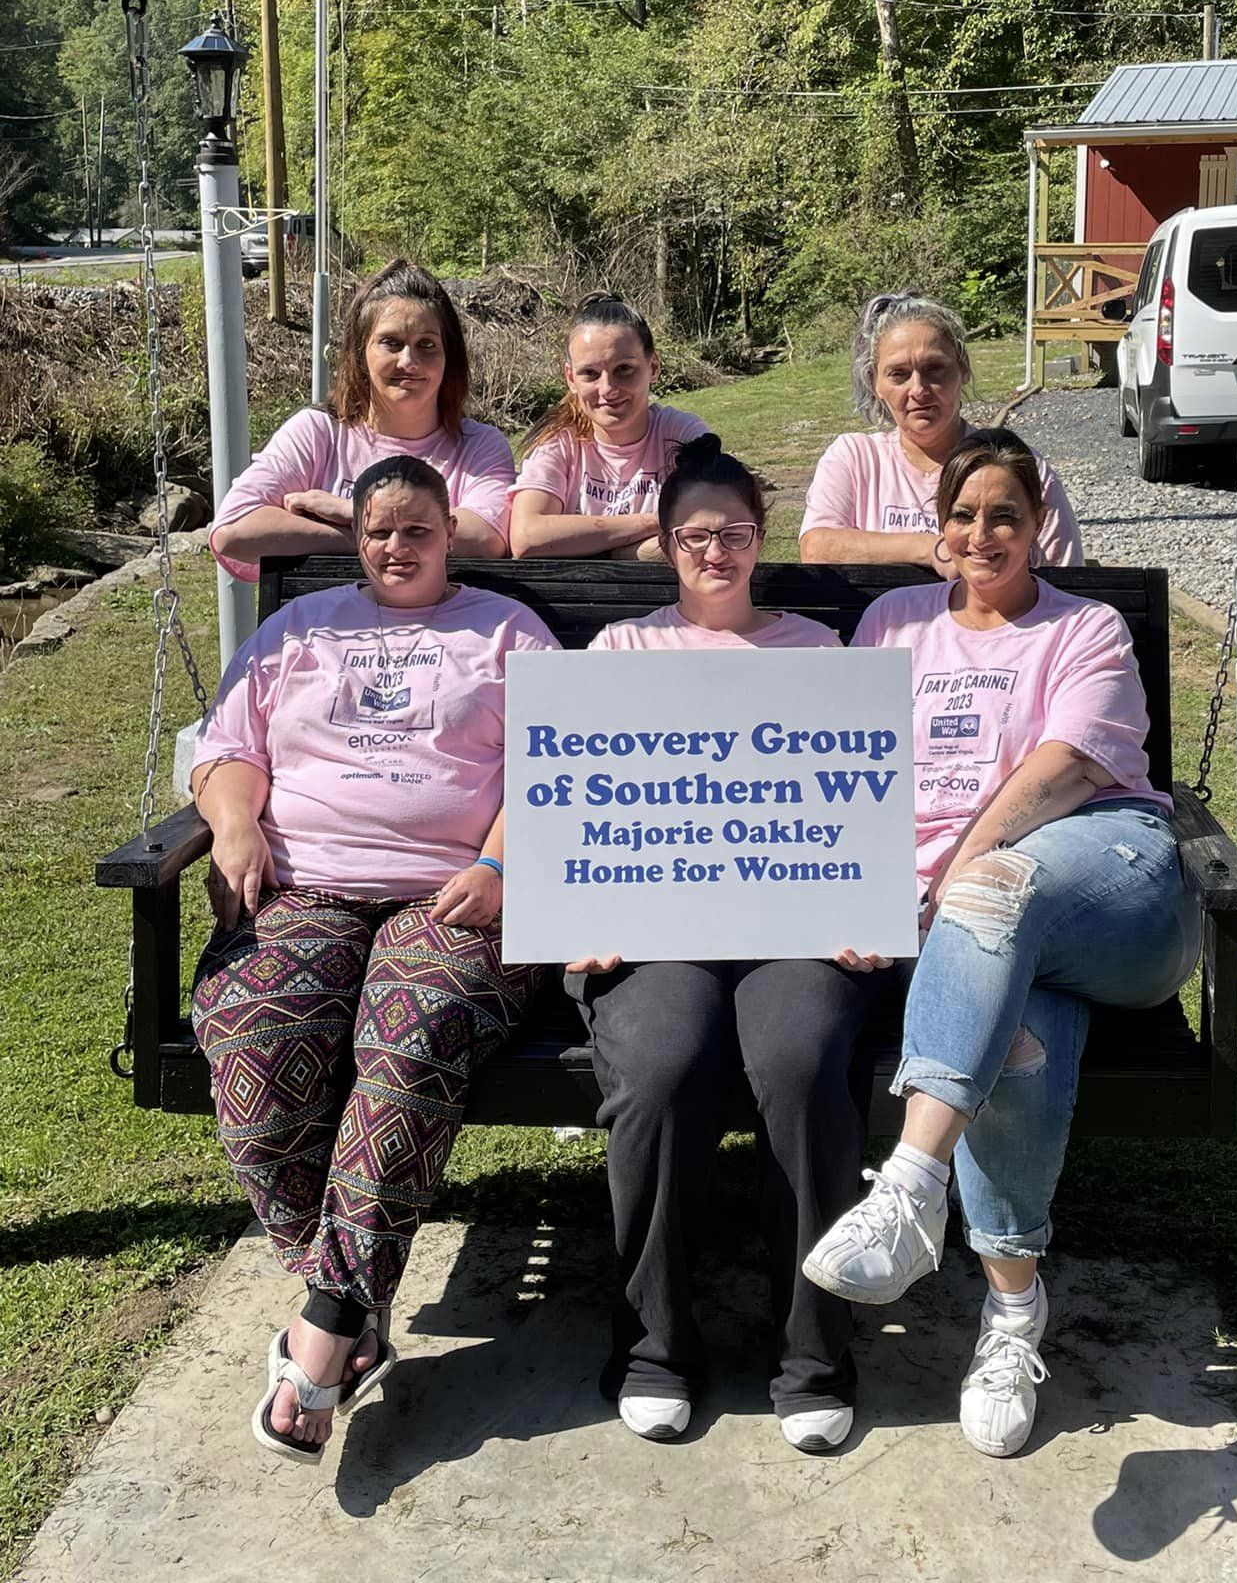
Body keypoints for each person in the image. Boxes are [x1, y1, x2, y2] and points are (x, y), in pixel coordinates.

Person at [802, 429, 1198, 1460]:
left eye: (1005, 515)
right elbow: (838, 765)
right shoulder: (894, 624)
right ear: (938, 530)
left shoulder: (1087, 628)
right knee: (1016, 1036)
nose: (984, 533)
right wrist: (848, 885)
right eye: (964, 514)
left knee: (995, 889)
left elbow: (1067, 769)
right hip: (981, 929)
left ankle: (908, 1185)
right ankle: (1013, 1310)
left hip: (1109, 878)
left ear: (1039, 527)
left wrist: (942, 881)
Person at [191, 454, 559, 1464]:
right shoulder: (297, 630)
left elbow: (558, 764)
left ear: (452, 534)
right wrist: (232, 826)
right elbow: (228, 750)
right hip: (305, 882)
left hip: (451, 890)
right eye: (380, 529)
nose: (398, 545)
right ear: (357, 537)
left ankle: (324, 1327)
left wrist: (497, 859)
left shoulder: (505, 632)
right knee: (256, 1044)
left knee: (410, 1045)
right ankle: (352, 1301)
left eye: (417, 528)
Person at [569, 434, 891, 1455]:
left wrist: (860, 905)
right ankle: (655, 1345)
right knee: (663, 1065)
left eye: (736, 533)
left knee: (801, 1063)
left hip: (789, 927)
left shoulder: (817, 653)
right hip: (655, 931)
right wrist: (588, 911)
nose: (717, 551)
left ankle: (813, 1352)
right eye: (697, 535)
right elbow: (585, 807)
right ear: (666, 544)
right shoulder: (621, 652)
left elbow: (851, 806)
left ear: (762, 539)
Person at [211, 260, 512, 582]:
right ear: (360, 353)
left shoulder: (480, 447)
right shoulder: (318, 432)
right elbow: (234, 530)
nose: (409, 361)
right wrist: (368, 535)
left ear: (448, 357)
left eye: (427, 345)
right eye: (391, 343)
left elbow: (485, 538)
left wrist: (349, 512)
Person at [799, 292, 1083, 575]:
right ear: (875, 384)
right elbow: (816, 548)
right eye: (898, 374)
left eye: (934, 369)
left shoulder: (1017, 466)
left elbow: (1066, 581)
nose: (918, 390)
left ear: (963, 371)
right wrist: (932, 550)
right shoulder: (855, 458)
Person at [507, 293, 706, 558]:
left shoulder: (682, 435)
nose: (608, 389)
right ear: (570, 378)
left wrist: (603, 551)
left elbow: (710, 530)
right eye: (590, 373)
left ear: (654, 366)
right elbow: (526, 537)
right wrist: (654, 523)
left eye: (624, 369)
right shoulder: (560, 444)